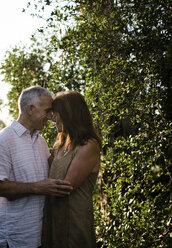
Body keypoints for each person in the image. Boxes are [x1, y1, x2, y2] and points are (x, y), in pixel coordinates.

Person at [0, 86, 73, 248]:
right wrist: (38, 188)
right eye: (47, 111)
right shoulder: (3, 141)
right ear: (31, 109)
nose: (50, 117)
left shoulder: (40, 141)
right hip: (17, 237)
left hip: (41, 234)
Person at [42, 91, 102, 248]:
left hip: (74, 218)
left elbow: (66, 186)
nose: (52, 118)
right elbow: (43, 170)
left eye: (56, 114)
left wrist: (28, 188)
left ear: (69, 114)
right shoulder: (59, 144)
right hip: (53, 217)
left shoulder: (88, 145)